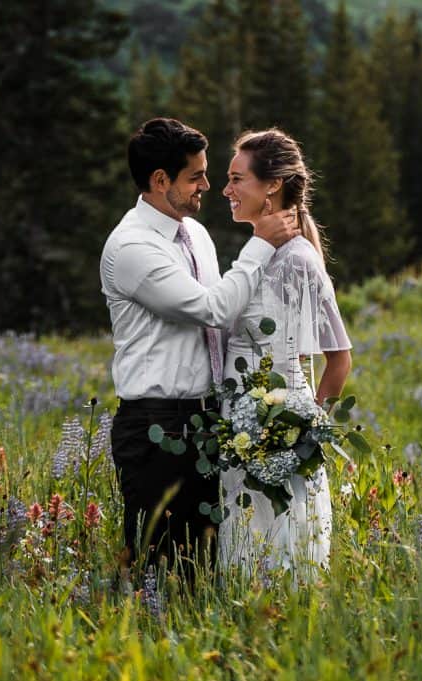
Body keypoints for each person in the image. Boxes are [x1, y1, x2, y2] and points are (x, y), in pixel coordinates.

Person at [100, 118, 299, 576]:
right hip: (156, 426)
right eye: (196, 176)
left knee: (204, 566)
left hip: (207, 420)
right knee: (159, 567)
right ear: (160, 180)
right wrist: (261, 245)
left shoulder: (196, 236)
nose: (207, 185)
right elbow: (213, 309)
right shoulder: (132, 246)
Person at [217, 128, 353, 580]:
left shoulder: (298, 258)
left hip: (279, 428)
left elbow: (340, 357)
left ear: (271, 185)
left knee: (278, 550)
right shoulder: (260, 251)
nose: (227, 189)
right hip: (238, 425)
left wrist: (308, 427)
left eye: (238, 179)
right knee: (244, 549)